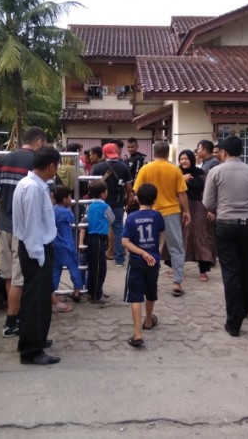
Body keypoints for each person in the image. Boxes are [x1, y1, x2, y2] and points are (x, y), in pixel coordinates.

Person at [203, 136, 248, 337]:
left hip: (226, 226)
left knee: (230, 272)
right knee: (247, 268)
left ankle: (233, 322)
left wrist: (222, 208)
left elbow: (207, 203)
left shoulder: (215, 172)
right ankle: (246, 303)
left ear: (223, 152)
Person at [0, 127, 52, 338]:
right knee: (21, 279)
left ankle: (13, 318)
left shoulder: (4, 158)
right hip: (23, 229)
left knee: (9, 275)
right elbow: (47, 198)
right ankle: (13, 321)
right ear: (39, 141)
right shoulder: (39, 163)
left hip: (4, 223)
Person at [13, 146, 62, 365]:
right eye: (56, 166)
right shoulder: (32, 188)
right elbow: (32, 225)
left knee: (36, 299)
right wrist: (39, 256)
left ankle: (33, 339)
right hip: (36, 250)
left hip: (34, 248)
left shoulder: (30, 184)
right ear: (51, 165)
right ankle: (31, 350)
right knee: (36, 300)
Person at [133, 141, 190, 297]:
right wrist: (187, 211)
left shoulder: (146, 168)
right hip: (171, 212)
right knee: (176, 248)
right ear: (167, 153)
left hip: (150, 212)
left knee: (148, 247)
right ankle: (177, 283)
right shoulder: (175, 170)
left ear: (154, 152)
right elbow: (182, 194)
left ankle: (148, 280)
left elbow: (137, 191)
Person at [122, 183, 165, 348]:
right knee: (151, 291)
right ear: (155, 199)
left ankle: (137, 333)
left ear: (137, 198)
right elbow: (162, 236)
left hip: (137, 261)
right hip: (153, 260)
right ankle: (148, 320)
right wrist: (156, 252)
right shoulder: (158, 216)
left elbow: (125, 241)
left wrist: (141, 253)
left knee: (135, 296)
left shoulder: (132, 217)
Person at [92, 143, 133, 266]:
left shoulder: (98, 167)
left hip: (100, 204)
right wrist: (127, 200)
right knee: (118, 230)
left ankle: (97, 258)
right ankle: (119, 259)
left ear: (104, 154)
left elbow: (91, 185)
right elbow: (129, 186)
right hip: (117, 204)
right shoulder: (123, 167)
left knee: (98, 230)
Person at [177, 149, 216, 281]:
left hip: (198, 206)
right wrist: (182, 179)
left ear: (192, 160)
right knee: (179, 236)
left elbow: (203, 188)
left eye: (186, 158)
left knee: (200, 236)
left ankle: (203, 270)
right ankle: (176, 267)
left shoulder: (200, 172)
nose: (183, 161)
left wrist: (211, 209)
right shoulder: (176, 172)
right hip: (179, 206)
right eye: (181, 159)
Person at [84, 179, 115, 303]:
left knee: (93, 266)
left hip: (91, 238)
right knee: (99, 267)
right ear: (103, 194)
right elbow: (112, 219)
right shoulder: (105, 206)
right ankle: (96, 294)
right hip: (99, 239)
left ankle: (93, 291)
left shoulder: (90, 206)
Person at [52, 185, 83, 303]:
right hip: (67, 244)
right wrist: (70, 207)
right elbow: (72, 219)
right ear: (65, 200)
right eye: (70, 197)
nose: (71, 198)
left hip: (55, 244)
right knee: (73, 267)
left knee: (55, 270)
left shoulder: (53, 209)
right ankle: (77, 290)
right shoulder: (65, 211)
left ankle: (53, 292)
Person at [125, 137, 146, 214]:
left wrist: (133, 193)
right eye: (128, 147)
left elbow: (136, 176)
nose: (130, 149)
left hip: (135, 192)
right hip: (129, 190)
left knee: (133, 214)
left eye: (132, 147)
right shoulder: (129, 158)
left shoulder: (138, 158)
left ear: (137, 146)